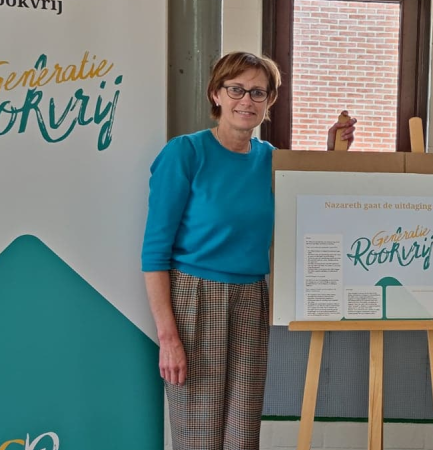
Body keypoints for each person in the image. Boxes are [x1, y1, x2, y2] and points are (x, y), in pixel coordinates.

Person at [140, 51, 355, 450]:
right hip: (194, 298)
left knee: (242, 435)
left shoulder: (271, 160)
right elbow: (154, 254)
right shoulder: (185, 153)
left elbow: (313, 204)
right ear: (216, 94)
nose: (247, 100)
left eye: (258, 92)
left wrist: (331, 152)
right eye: (236, 89)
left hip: (252, 298)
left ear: (269, 101)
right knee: (199, 435)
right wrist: (168, 337)